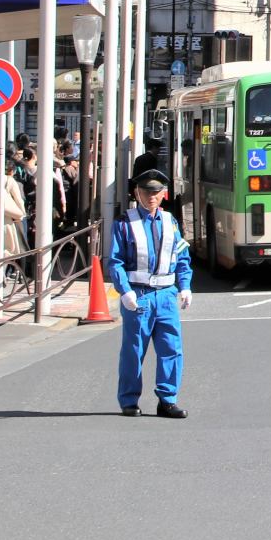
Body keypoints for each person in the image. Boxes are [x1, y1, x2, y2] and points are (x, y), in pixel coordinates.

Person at [105, 167, 192, 419]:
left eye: (156, 192)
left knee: (171, 348)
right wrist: (125, 291)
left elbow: (182, 256)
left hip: (166, 294)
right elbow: (116, 261)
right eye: (146, 192)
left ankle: (167, 400)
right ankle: (129, 400)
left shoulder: (170, 221)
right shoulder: (125, 223)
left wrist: (185, 285)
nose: (151, 197)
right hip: (139, 294)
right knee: (134, 350)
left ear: (163, 194)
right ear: (136, 193)